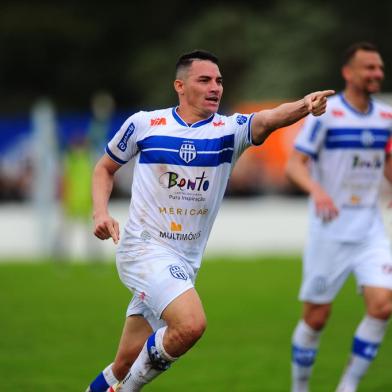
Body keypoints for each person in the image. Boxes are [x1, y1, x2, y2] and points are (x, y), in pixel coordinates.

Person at [86, 49, 333, 392]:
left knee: (125, 362)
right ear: (180, 86)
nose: (215, 87)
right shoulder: (145, 124)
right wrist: (100, 212)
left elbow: (268, 118)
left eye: (218, 80)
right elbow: (104, 167)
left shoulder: (228, 131)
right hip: (143, 249)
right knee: (190, 325)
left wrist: (304, 106)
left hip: (184, 261)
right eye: (204, 80)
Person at [287, 42, 392, 392]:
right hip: (329, 229)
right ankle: (300, 388)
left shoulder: (386, 117)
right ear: (349, 73)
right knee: (316, 318)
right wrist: (317, 190)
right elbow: (294, 164)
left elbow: (386, 163)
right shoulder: (327, 114)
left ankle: (347, 387)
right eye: (369, 68)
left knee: (383, 306)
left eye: (379, 67)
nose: (377, 73)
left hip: (369, 228)